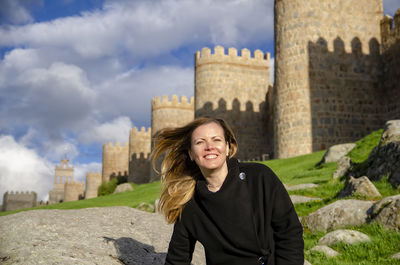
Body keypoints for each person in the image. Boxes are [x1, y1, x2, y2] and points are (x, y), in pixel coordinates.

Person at [152, 117, 304, 265]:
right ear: (191, 153)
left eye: (216, 140)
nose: (209, 146)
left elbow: (289, 232)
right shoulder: (189, 202)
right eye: (200, 142)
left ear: (228, 147)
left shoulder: (259, 177)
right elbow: (177, 259)